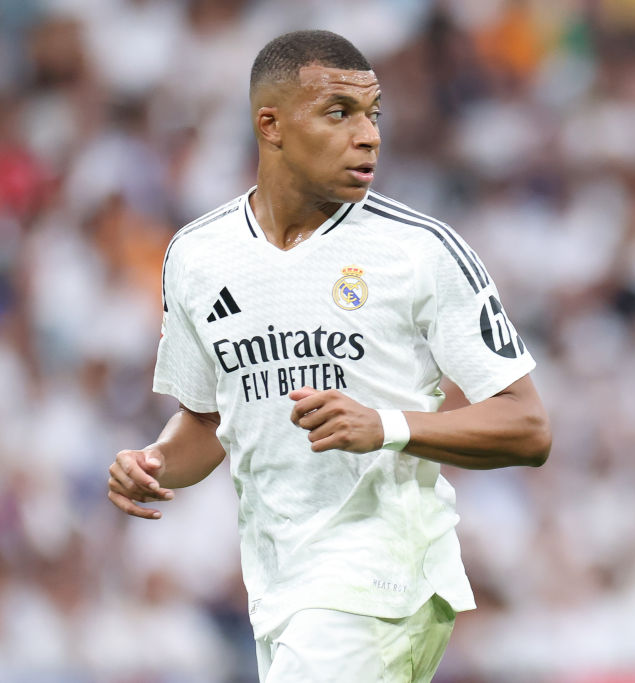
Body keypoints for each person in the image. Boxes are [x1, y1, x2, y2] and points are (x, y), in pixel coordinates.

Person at [106, 29, 551, 683]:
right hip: (279, 589)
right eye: (340, 113)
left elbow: (528, 425)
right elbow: (206, 420)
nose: (368, 136)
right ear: (272, 125)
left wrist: (386, 426)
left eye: (373, 115)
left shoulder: (419, 250)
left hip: (383, 578)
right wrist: (156, 462)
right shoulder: (198, 257)